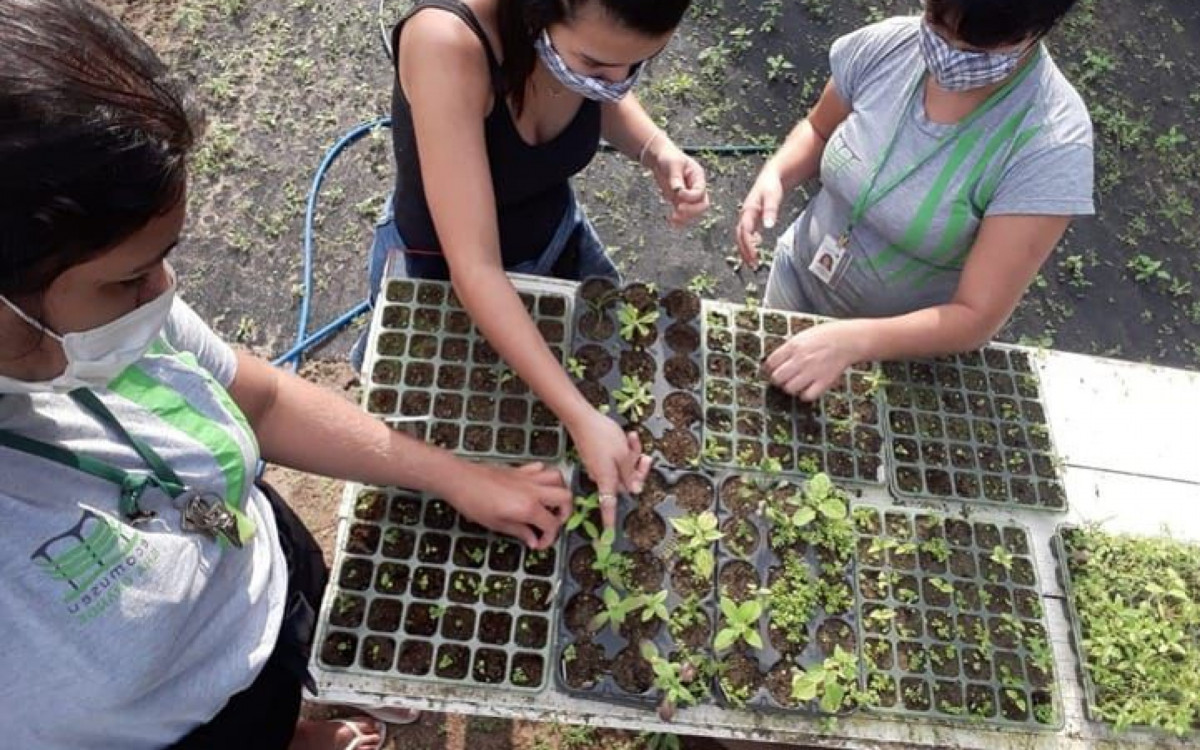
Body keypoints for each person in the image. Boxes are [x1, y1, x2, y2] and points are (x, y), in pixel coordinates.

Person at [0, 1, 571, 748]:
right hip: (186, 731)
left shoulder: (97, 324)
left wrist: (455, 475)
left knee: (289, 656)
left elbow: (260, 400)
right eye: (130, 278)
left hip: (258, 580)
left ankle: (303, 718)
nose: (163, 293)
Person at [360, 0, 708, 526]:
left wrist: (656, 148)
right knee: (452, 432)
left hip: (555, 236)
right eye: (594, 66)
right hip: (444, 272)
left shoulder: (587, 53)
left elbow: (604, 97)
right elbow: (474, 268)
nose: (615, 82)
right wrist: (578, 416)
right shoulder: (447, 44)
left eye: (635, 66)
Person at [736, 0, 1093, 400]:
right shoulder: (889, 47)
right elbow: (819, 130)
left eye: (975, 48)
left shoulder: (1049, 145)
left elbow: (976, 315)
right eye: (938, 25)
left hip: (899, 355)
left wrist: (855, 341)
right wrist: (776, 175)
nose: (949, 51)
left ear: (1034, 31)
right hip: (798, 278)